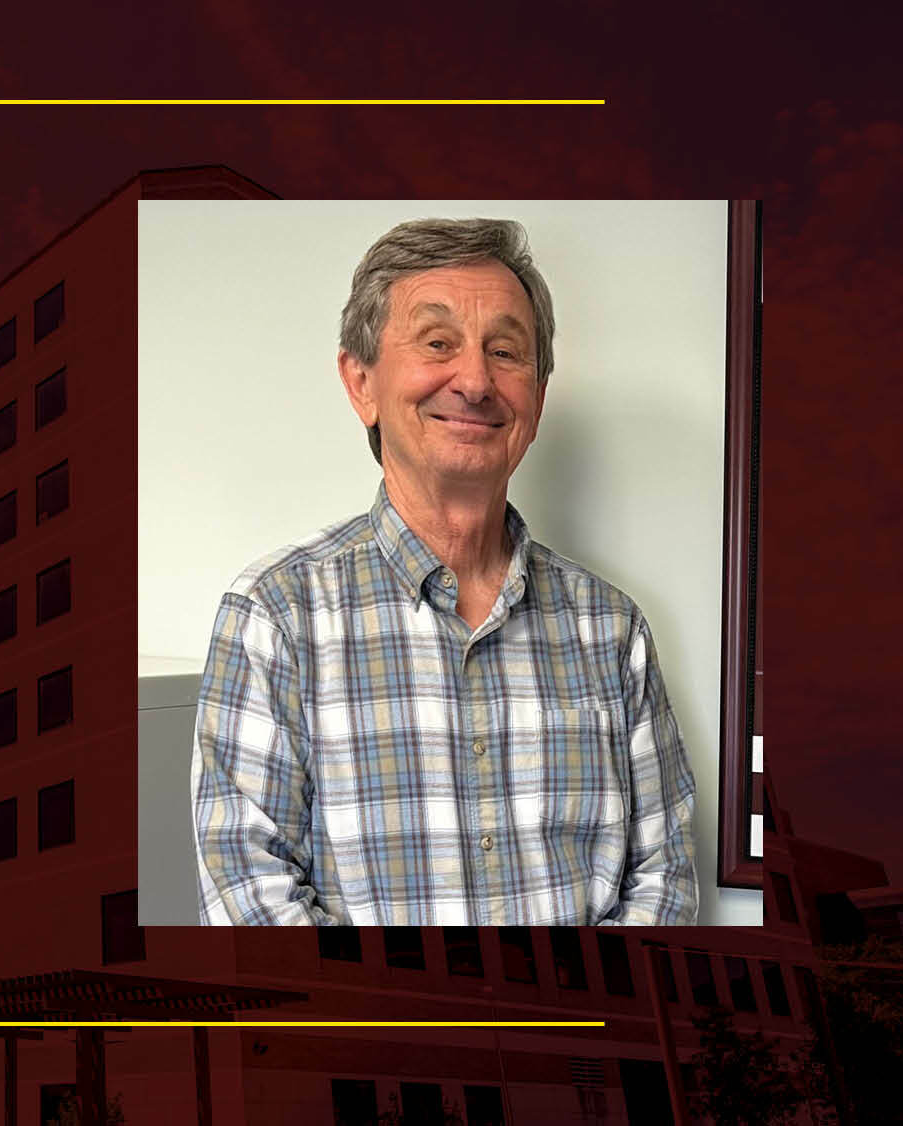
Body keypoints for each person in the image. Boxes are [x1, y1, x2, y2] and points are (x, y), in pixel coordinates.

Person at [191, 218, 697, 926]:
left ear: (539, 396)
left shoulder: (611, 627)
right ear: (360, 381)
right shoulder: (275, 615)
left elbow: (663, 881)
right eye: (438, 343)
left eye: (506, 351)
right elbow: (250, 897)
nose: (476, 380)